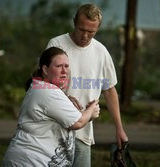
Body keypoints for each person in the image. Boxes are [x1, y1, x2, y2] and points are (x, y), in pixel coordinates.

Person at [46, 3, 128, 166]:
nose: (85, 35)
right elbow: (43, 84)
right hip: (53, 131)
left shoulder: (101, 52)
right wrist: (66, 98)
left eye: (91, 32)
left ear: (98, 28)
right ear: (74, 22)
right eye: (82, 29)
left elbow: (109, 90)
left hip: (82, 133)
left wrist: (119, 128)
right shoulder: (57, 44)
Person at [2, 47, 100, 167]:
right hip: (30, 161)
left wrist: (87, 114)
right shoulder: (47, 92)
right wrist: (91, 110)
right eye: (59, 66)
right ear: (45, 69)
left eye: (67, 66)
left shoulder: (42, 88)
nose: (64, 71)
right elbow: (78, 122)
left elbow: (71, 120)